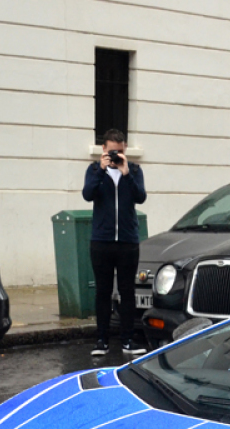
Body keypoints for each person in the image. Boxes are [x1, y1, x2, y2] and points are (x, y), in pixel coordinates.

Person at [82, 128, 147, 356]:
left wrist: (126, 172)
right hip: (101, 241)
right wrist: (101, 170)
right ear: (103, 150)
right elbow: (88, 194)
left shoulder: (135, 171)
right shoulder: (93, 170)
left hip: (128, 241)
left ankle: (128, 340)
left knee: (127, 291)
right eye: (111, 151)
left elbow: (140, 197)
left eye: (119, 151)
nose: (115, 155)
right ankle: (101, 340)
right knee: (103, 291)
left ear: (125, 149)